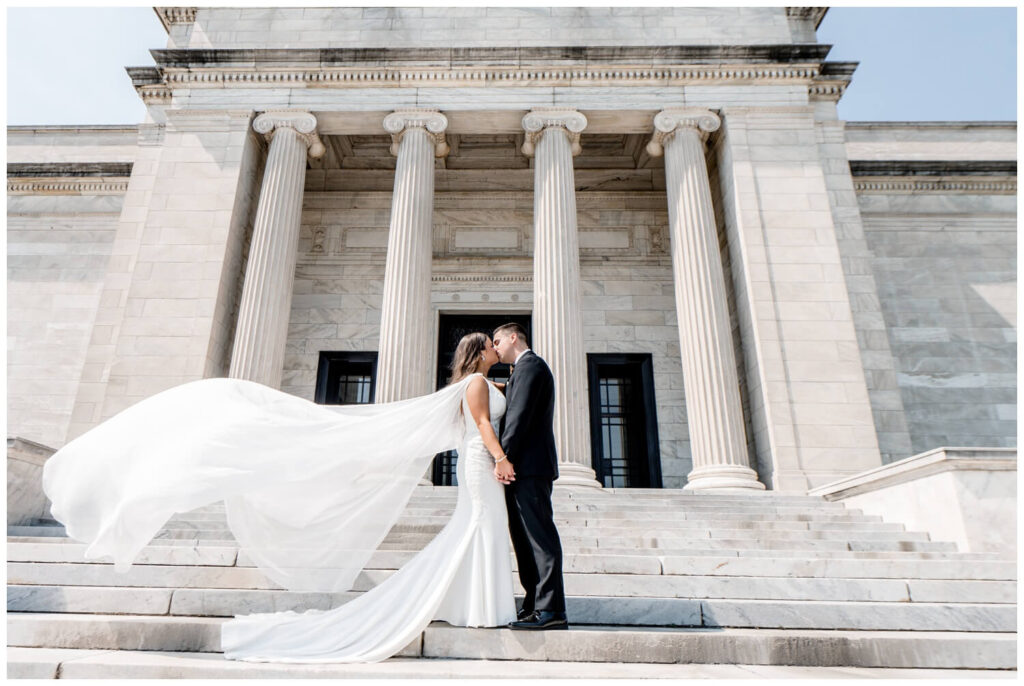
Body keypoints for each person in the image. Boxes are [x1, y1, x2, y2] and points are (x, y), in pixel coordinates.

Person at [42, 333, 518, 663]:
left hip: (482, 467)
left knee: (477, 532)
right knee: (475, 529)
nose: (498, 347)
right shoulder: (476, 384)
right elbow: (480, 425)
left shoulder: (484, 382)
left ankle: (474, 605)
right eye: (491, 344)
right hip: (482, 466)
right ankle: (473, 605)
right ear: (479, 353)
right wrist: (499, 458)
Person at [491, 323, 569, 630]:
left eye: (497, 341)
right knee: (523, 540)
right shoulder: (520, 372)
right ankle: (534, 604)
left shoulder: (531, 365)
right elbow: (514, 399)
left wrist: (502, 457)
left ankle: (551, 610)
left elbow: (519, 417)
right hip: (521, 470)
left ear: (513, 338)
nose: (495, 348)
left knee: (539, 538)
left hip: (529, 468)